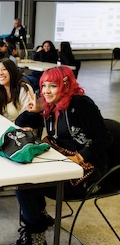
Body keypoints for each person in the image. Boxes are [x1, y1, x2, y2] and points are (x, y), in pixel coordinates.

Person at [12, 66, 113, 245]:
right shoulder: (51, 107)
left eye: (52, 86)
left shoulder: (81, 104)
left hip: (86, 171)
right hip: (63, 162)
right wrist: (33, 111)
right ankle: (40, 217)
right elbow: (20, 123)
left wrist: (81, 157)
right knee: (24, 175)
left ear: (65, 86)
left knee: (25, 186)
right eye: (43, 86)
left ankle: (36, 236)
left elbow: (105, 137)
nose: (45, 91)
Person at [0, 58, 33, 122]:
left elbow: (25, 116)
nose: (0, 73)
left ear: (12, 71)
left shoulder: (23, 88)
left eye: (4, 69)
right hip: (0, 126)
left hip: (19, 128)